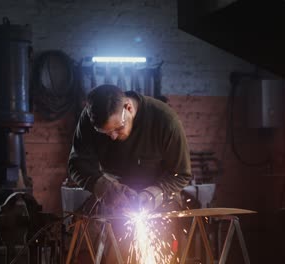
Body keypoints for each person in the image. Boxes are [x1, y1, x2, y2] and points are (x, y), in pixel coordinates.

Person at [67, 84, 192, 262]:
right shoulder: (88, 119)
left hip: (160, 198)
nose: (113, 137)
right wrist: (103, 186)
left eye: (118, 128)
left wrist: (151, 195)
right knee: (110, 252)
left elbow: (181, 174)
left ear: (129, 108)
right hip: (114, 198)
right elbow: (76, 165)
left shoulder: (164, 120)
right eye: (106, 133)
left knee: (162, 253)